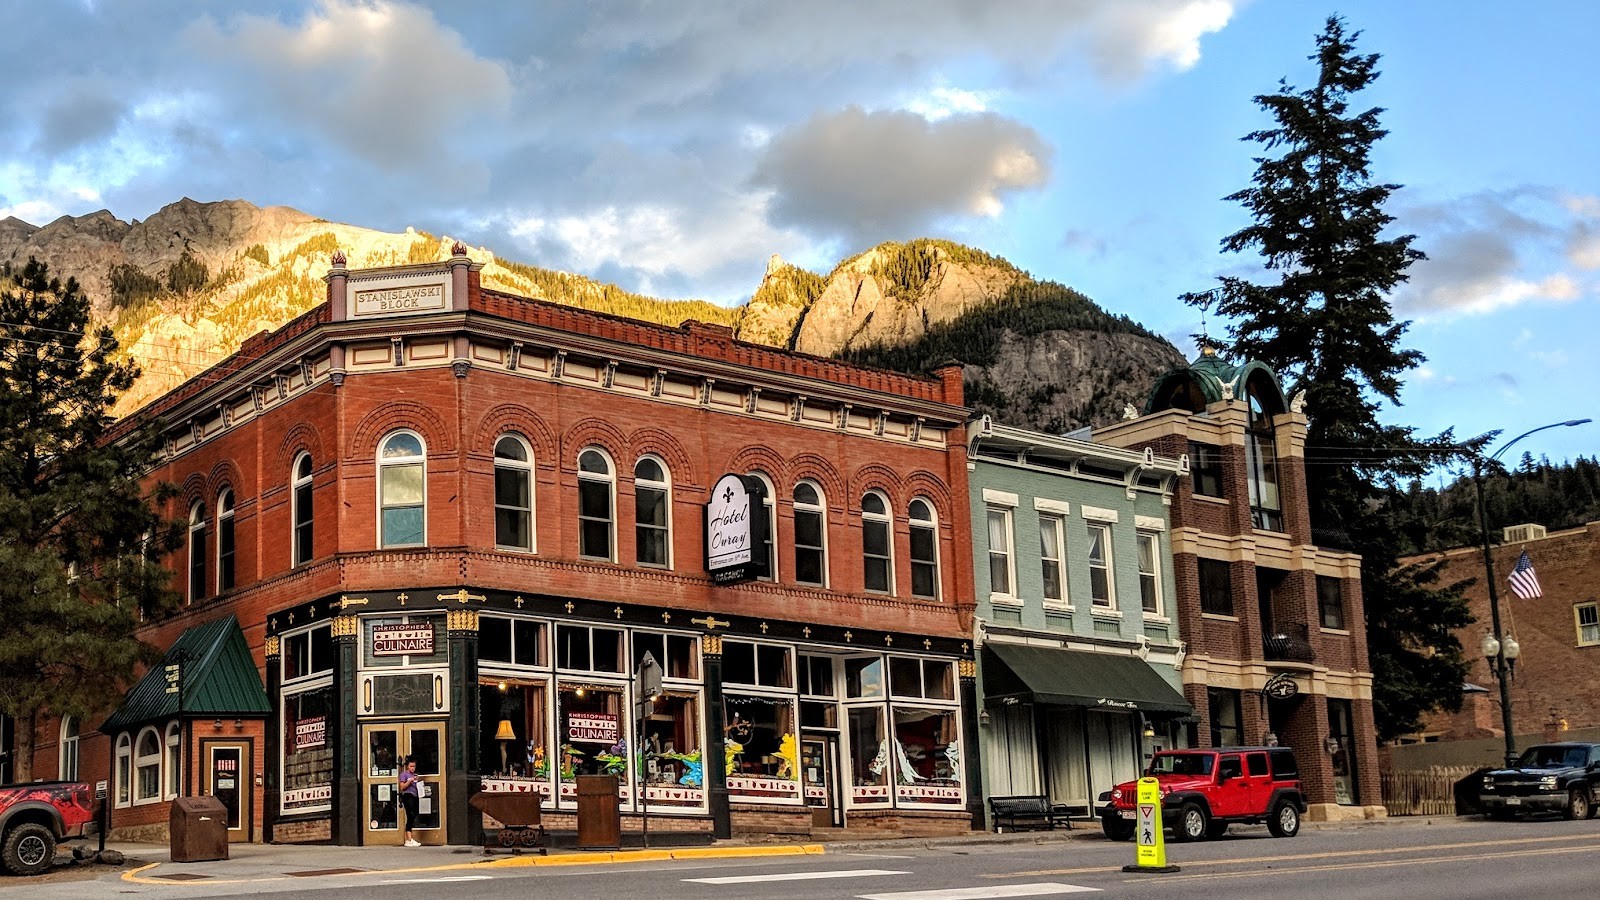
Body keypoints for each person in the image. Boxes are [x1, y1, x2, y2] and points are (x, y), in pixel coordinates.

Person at [398, 758, 422, 847]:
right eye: (411, 766)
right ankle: (408, 839)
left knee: (414, 814)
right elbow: (402, 787)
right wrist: (409, 781)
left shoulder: (415, 775)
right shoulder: (404, 774)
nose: (413, 768)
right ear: (407, 766)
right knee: (410, 815)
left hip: (415, 796)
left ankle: (410, 838)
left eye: (414, 766)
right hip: (408, 796)